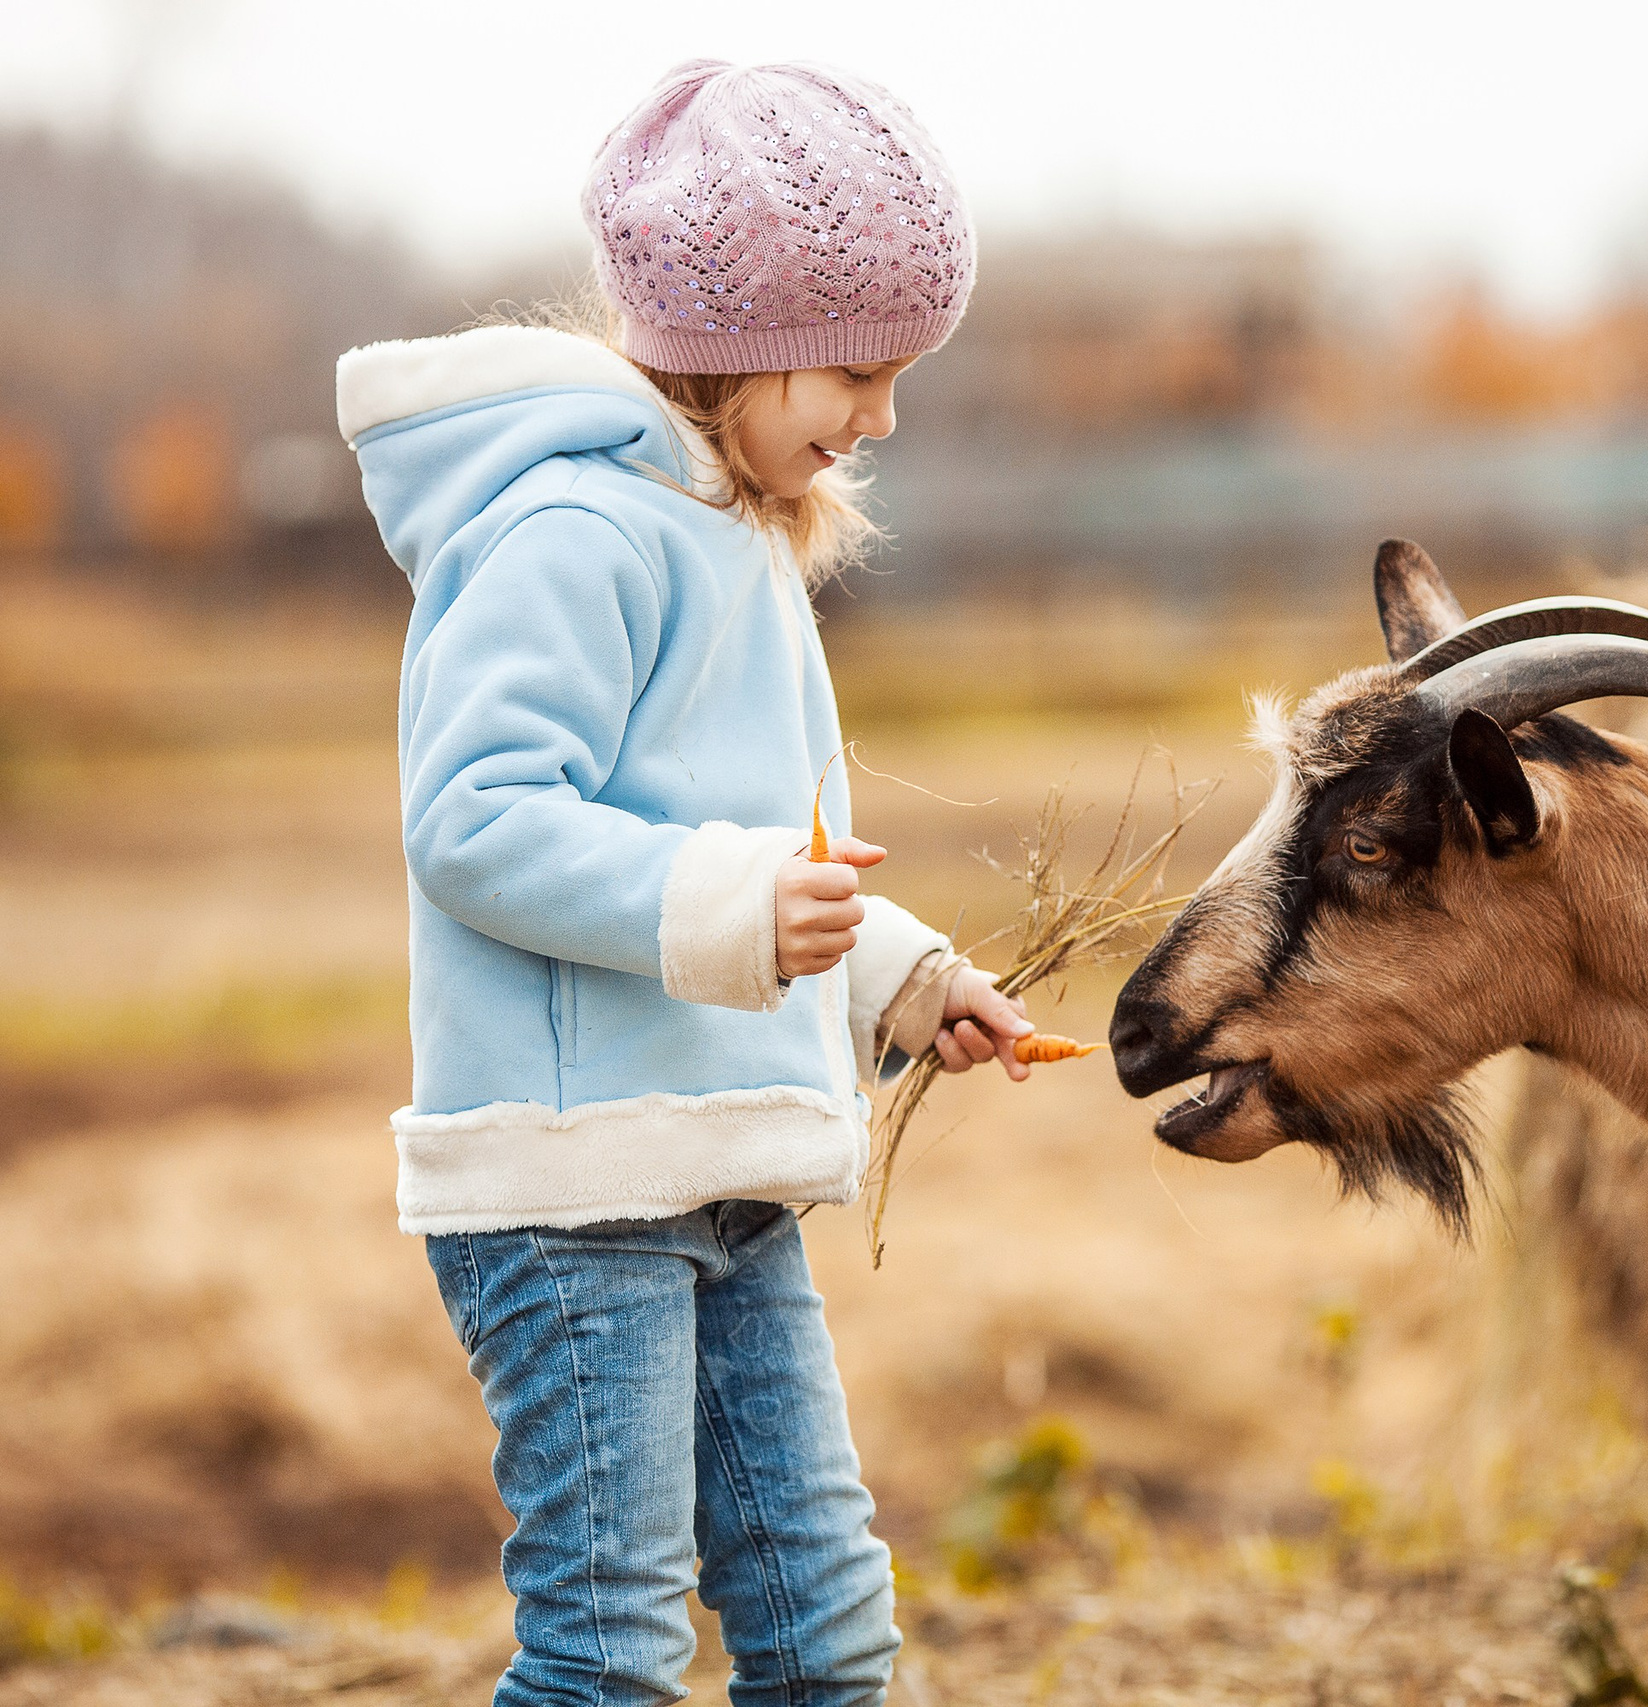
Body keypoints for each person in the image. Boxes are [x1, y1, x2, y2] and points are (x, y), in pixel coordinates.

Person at [335, 59, 1021, 1706]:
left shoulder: (741, 539)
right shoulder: (572, 531)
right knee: (608, 1650)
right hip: (575, 1191)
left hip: (718, 1170)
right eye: (859, 370)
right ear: (730, 341)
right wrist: (737, 908)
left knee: (829, 1631)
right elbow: (480, 820)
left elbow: (758, 850)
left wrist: (901, 977)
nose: (884, 418)